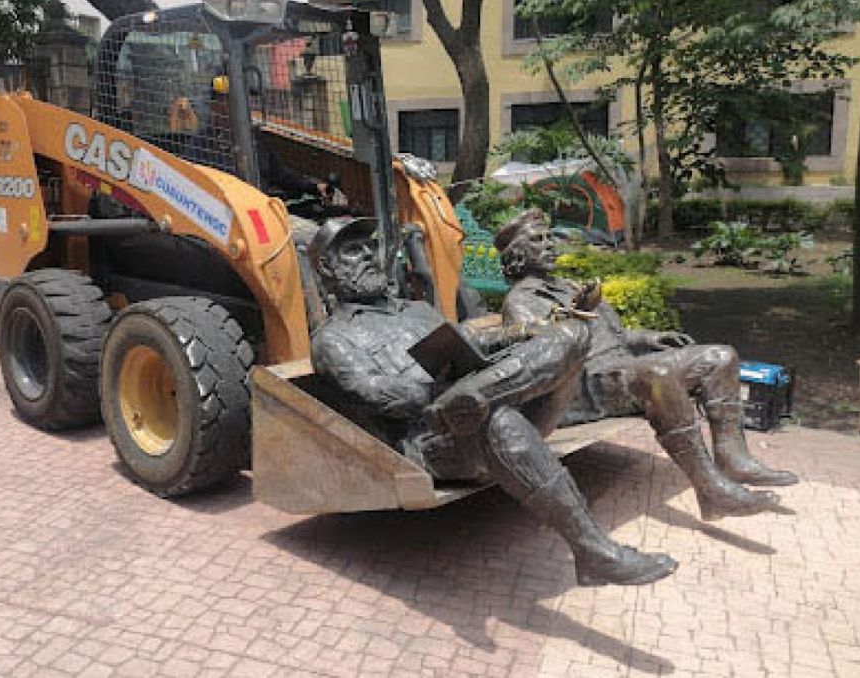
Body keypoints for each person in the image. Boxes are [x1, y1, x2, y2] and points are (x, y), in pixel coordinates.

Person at [309, 217, 678, 586]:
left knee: (573, 333)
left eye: (370, 246)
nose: (369, 255)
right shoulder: (332, 339)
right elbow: (369, 391)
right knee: (498, 421)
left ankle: (476, 397)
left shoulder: (415, 311)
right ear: (327, 267)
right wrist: (438, 394)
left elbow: (471, 342)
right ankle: (596, 553)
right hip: (432, 438)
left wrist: (527, 331)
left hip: (476, 398)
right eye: (353, 251)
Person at [494, 209, 797, 522]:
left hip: (621, 366)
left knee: (721, 357)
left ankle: (733, 457)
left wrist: (651, 337)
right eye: (536, 241)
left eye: (548, 237)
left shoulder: (566, 286)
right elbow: (544, 353)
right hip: (587, 383)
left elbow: (614, 333)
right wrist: (575, 315)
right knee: (658, 377)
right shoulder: (520, 301)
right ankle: (711, 489)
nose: (549, 245)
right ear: (518, 255)